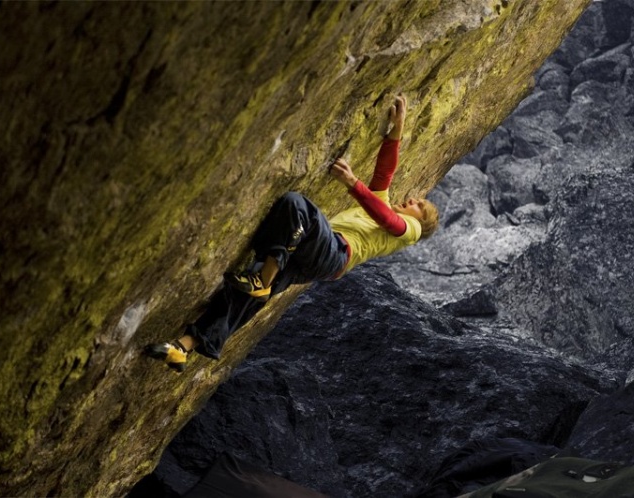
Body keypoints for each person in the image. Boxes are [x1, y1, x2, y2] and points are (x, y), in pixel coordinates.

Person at [145, 95, 439, 371]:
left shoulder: (410, 230)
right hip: (318, 262)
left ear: (420, 222)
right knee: (243, 296)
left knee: (297, 205)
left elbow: (388, 219)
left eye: (419, 206)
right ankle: (183, 347)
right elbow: (385, 173)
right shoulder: (384, 204)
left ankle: (262, 279)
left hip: (334, 252)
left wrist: (352, 182)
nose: (412, 200)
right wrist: (397, 131)